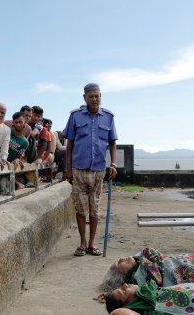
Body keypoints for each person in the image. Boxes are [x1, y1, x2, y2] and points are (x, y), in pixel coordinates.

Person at [63, 83, 118, 257]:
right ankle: (82, 243)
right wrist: (68, 170)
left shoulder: (108, 117)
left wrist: (113, 164)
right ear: (84, 98)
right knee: (80, 209)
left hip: (99, 171)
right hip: (78, 170)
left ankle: (92, 244)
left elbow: (112, 143)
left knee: (94, 209)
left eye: (97, 96)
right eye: (90, 96)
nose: (94, 99)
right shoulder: (75, 116)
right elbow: (69, 144)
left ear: (100, 96)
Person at [8, 112, 30, 190]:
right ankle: (17, 184)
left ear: (24, 124)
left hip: (10, 165)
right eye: (16, 122)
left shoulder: (25, 142)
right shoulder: (7, 131)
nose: (18, 124)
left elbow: (18, 156)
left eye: (20, 122)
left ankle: (17, 184)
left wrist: (17, 159)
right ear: (13, 123)